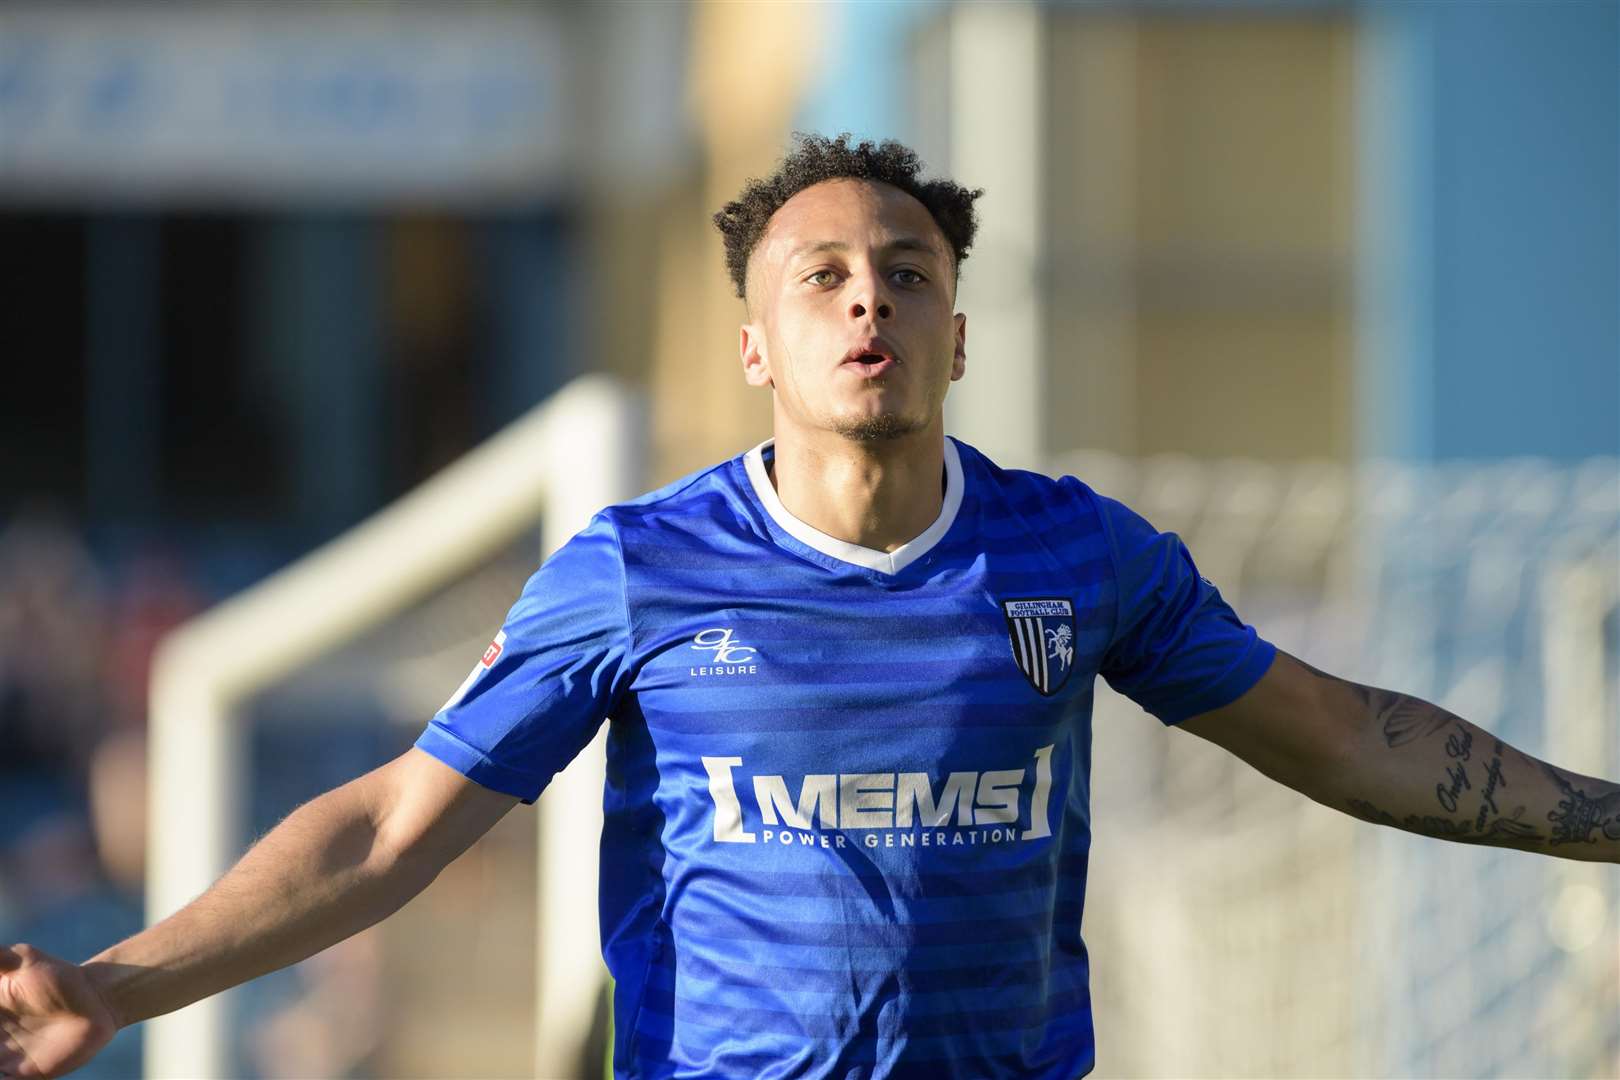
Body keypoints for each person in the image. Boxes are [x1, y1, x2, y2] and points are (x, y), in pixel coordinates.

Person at [3, 133, 1616, 1080]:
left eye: (908, 273)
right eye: (823, 276)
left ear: (959, 337)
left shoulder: (1083, 559)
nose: (870, 299)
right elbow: (382, 834)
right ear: (759, 346)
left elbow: (1338, 731)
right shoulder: (640, 571)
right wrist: (114, 985)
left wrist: (1606, 823)